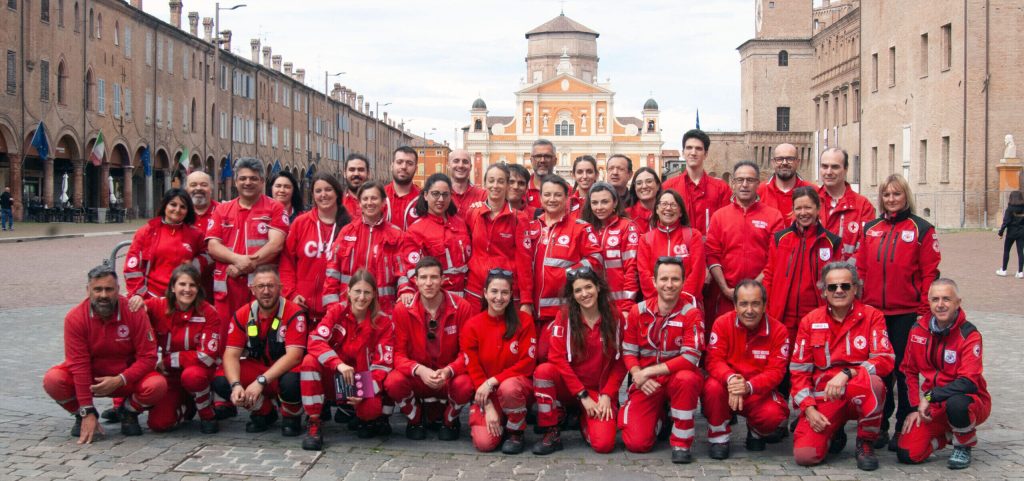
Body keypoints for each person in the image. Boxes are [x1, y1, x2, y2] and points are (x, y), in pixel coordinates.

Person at [856, 174, 941, 450]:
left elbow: (930, 273)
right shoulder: (870, 228)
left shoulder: (922, 229)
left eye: (896, 194)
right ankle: (878, 424)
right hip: (874, 313)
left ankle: (904, 422)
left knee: (905, 372)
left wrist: (923, 311)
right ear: (881, 198)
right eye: (887, 195)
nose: (891, 199)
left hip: (907, 313)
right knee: (880, 372)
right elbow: (861, 269)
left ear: (906, 196)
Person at [42, 266, 167, 443]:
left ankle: (128, 411)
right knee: (53, 380)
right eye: (97, 289)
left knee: (157, 384)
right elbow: (79, 365)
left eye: (109, 289)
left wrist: (121, 379)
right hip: (92, 380)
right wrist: (86, 409)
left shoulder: (134, 312)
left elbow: (148, 357)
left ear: (117, 290)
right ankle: (81, 415)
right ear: (88, 290)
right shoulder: (75, 318)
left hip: (125, 379)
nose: (103, 295)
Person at [790, 261, 895, 471]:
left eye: (845, 286)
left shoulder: (873, 316)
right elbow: (798, 372)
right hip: (826, 395)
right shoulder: (810, 321)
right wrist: (809, 409)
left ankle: (865, 442)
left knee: (875, 384)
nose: (839, 291)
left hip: (859, 388)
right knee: (805, 456)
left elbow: (885, 360)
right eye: (832, 287)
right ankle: (833, 432)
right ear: (824, 292)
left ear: (855, 288)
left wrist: (849, 372)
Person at [897, 279, 991, 469]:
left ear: (958, 302)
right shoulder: (917, 330)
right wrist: (915, 407)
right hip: (935, 405)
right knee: (907, 454)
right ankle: (949, 437)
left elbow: (968, 382)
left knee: (957, 404)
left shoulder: (969, 334)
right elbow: (908, 371)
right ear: (929, 302)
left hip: (970, 401)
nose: (940, 305)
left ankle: (964, 444)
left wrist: (930, 396)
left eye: (947, 299)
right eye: (935, 299)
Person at [531, 267, 625, 455]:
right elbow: (556, 357)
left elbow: (621, 361)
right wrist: (582, 396)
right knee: (543, 372)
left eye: (588, 287)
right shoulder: (564, 316)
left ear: (598, 287)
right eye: (578, 290)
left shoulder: (615, 316)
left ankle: (584, 419)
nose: (584, 294)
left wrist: (607, 394)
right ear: (572, 295)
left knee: (604, 445)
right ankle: (552, 429)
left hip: (598, 391)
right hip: (572, 389)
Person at [619, 257, 704, 463]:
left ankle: (681, 443)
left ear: (683, 282)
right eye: (663, 279)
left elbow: (690, 358)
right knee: (636, 444)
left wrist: (646, 372)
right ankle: (662, 418)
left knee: (687, 378)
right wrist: (637, 374)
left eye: (675, 279)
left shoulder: (692, 313)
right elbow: (628, 351)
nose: (669, 284)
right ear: (654, 282)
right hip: (647, 384)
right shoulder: (637, 311)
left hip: (675, 380)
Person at [300, 269, 394, 450]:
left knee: (371, 410)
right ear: (348, 292)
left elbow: (384, 364)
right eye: (357, 291)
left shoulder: (383, 323)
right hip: (334, 376)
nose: (361, 297)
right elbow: (315, 340)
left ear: (374, 295)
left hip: (361, 381)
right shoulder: (336, 311)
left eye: (367, 292)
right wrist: (338, 364)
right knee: (309, 362)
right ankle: (313, 422)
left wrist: (363, 391)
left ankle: (360, 415)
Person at [385, 257, 476, 441]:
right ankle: (415, 419)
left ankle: (450, 420)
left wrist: (449, 371)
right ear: (415, 281)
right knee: (393, 382)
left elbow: (467, 353)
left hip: (447, 376)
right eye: (423, 278)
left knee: (465, 384)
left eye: (434, 277)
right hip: (419, 376)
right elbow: (398, 355)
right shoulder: (402, 309)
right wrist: (420, 370)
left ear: (443, 280)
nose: (428, 283)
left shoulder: (462, 307)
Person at [211, 265, 306, 436]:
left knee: (293, 381)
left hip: (282, 372)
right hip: (258, 369)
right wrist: (236, 385)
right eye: (261, 286)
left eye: (271, 286)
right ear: (252, 290)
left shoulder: (293, 312)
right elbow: (231, 355)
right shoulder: (243, 314)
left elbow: (294, 356)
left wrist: (261, 381)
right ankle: (263, 411)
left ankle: (291, 416)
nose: (266, 291)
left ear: (280, 288)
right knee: (221, 380)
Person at [702, 280, 790, 460]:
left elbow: (776, 372)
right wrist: (731, 379)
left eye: (755, 304)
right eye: (743, 304)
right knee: (711, 387)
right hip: (727, 387)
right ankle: (719, 437)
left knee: (774, 416)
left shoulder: (779, 330)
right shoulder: (722, 324)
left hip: (757, 391)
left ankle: (755, 430)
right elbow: (713, 360)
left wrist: (748, 386)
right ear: (735, 305)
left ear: (765, 305)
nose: (749, 310)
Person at [136, 264, 222, 434]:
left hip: (198, 370)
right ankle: (187, 406)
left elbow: (207, 356)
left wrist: (168, 361)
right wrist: (137, 301)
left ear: (198, 288)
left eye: (192, 285)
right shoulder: (158, 306)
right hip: (169, 377)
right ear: (173, 288)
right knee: (159, 424)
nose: (187, 290)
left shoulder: (209, 312)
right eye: (182, 284)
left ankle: (207, 413)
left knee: (192, 376)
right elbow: (135, 311)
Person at [206, 158, 289, 333]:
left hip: (261, 289)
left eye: (253, 178)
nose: (247, 182)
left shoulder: (275, 208)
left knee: (258, 337)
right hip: (227, 290)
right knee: (226, 338)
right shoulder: (222, 210)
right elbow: (213, 246)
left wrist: (244, 267)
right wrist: (239, 261)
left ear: (262, 182)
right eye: (243, 178)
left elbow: (276, 245)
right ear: (236, 181)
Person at [462, 270, 537, 453]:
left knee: (509, 387)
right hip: (487, 395)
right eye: (494, 291)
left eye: (504, 293)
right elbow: (473, 368)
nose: (498, 297)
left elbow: (527, 363)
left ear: (511, 296)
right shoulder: (472, 326)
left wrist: (493, 381)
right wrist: (487, 406)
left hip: (515, 390)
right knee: (484, 444)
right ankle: (500, 421)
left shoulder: (524, 321)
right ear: (485, 293)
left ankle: (515, 432)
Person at [530, 174, 603, 360]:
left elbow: (595, 260)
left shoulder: (580, 228)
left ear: (566, 198)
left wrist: (565, 275)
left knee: (548, 358)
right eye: (547, 195)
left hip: (561, 313)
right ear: (540, 197)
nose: (552, 199)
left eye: (557, 195)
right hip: (529, 311)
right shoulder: (530, 227)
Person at [705, 161, 784, 323]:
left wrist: (753, 289)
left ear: (758, 183)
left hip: (760, 297)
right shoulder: (719, 216)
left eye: (750, 180)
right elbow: (712, 255)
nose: (745, 185)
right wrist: (726, 289)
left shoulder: (774, 216)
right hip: (727, 296)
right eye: (740, 180)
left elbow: (775, 259)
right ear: (732, 183)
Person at [763, 187, 841, 346]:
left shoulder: (831, 242)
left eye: (808, 207)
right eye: (798, 208)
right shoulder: (780, 238)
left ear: (818, 209)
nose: (803, 212)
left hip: (817, 316)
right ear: (792, 210)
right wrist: (767, 309)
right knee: (783, 363)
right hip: (783, 316)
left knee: (813, 363)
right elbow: (769, 275)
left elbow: (837, 282)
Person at [322, 181, 407, 315]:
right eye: (365, 199)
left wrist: (405, 292)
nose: (369, 202)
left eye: (374, 198)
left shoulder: (396, 235)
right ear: (359, 203)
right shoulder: (346, 232)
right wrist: (332, 307)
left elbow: (403, 272)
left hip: (382, 312)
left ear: (383, 202)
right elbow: (332, 272)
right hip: (348, 309)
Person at [279, 173, 351, 325]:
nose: (323, 195)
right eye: (318, 191)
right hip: (302, 307)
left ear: (338, 193)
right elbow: (286, 262)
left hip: (337, 310)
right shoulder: (300, 223)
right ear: (312, 195)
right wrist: (291, 294)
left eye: (328, 190)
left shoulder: (350, 227)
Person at [124, 189, 209, 309]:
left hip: (183, 300)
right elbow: (132, 269)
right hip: (151, 298)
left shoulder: (195, 234)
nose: (177, 210)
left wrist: (194, 264)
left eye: (183, 207)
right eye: (173, 204)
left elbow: (208, 254)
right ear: (165, 206)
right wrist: (139, 294)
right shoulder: (147, 231)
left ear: (187, 210)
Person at [464, 163, 534, 307]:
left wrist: (526, 300)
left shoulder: (518, 218)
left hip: (505, 291)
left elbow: (524, 260)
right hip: (475, 290)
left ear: (508, 185)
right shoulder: (473, 212)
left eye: (501, 181)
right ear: (485, 184)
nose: (495, 185)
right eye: (491, 180)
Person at [399, 174, 472, 300]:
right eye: (435, 194)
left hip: (466, 298)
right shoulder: (416, 231)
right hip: (436, 299)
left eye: (445, 194)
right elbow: (412, 271)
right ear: (426, 195)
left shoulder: (461, 223)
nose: (441, 199)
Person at [580, 182, 640, 315]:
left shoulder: (627, 227)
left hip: (620, 305)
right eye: (595, 203)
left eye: (605, 202)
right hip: (591, 306)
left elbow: (632, 269)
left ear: (615, 203)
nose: (599, 207)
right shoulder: (585, 229)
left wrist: (627, 306)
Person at [638, 189, 706, 303]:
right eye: (664, 204)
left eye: (673, 205)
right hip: (655, 305)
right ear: (657, 209)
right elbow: (644, 275)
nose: (668, 208)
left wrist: (681, 301)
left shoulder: (693, 236)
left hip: (687, 306)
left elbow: (697, 273)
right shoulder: (645, 239)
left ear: (681, 212)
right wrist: (661, 303)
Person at [661, 129, 731, 234]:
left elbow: (727, 224)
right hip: (679, 248)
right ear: (683, 152)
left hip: (710, 249)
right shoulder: (668, 187)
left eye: (698, 149)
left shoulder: (721, 189)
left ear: (706, 154)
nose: (693, 153)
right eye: (689, 148)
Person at [817, 148, 875, 260]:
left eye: (835, 167)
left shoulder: (863, 206)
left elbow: (866, 247)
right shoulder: (809, 201)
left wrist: (843, 273)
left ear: (846, 169)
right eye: (824, 166)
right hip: (814, 275)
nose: (829, 172)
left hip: (847, 275)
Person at [757, 143, 814, 220]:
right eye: (779, 159)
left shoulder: (813, 191)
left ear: (798, 162)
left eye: (790, 159)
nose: (784, 163)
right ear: (773, 162)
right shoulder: (759, 191)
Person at [385, 146, 421, 229]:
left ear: (416, 169)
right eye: (399, 162)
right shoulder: (379, 196)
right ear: (392, 166)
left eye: (409, 163)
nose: (404, 167)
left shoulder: (423, 199)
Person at [448, 149, 487, 217]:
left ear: (471, 167)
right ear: (448, 165)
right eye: (456, 161)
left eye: (465, 162)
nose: (460, 165)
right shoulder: (439, 195)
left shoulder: (483, 195)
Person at [996, 190, 1024, 277]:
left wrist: (1001, 232)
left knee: (1007, 250)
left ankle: (1004, 270)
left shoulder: (1010, 209)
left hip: (1011, 233)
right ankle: (1020, 272)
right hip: (1021, 233)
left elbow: (1006, 222)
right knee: (1020, 252)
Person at [625, 167, 660, 234]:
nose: (644, 186)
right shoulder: (626, 215)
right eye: (639, 183)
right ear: (634, 188)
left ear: (658, 185)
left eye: (649, 181)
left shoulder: (667, 212)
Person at [525, 139, 557, 209]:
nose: (542, 160)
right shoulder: (522, 189)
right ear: (531, 160)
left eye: (547, 156)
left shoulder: (567, 190)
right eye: (538, 156)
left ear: (555, 161)